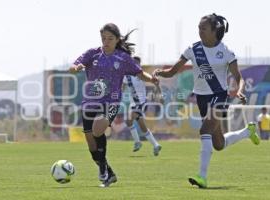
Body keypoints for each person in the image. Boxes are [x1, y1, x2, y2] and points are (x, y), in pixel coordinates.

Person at [153, 13, 260, 188]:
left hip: (219, 95)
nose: (199, 31)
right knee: (218, 144)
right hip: (201, 98)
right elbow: (172, 71)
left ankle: (202, 177)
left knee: (205, 129)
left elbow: (239, 78)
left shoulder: (226, 52)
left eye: (203, 28)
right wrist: (159, 73)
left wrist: (240, 91)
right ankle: (248, 132)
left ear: (214, 30)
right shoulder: (193, 49)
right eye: (198, 28)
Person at [69, 23, 159, 187]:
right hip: (89, 102)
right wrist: (76, 67)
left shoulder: (123, 58)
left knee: (98, 129)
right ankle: (108, 173)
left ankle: (103, 170)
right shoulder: (93, 54)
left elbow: (139, 73)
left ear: (117, 40)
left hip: (111, 101)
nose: (106, 41)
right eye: (103, 38)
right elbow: (74, 65)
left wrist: (151, 79)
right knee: (92, 147)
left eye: (110, 38)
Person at [123, 56, 162, 155]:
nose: (136, 65)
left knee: (129, 120)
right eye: (134, 63)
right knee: (141, 126)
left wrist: (160, 95)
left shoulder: (141, 74)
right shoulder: (126, 76)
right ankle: (156, 145)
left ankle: (137, 142)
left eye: (137, 63)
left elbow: (155, 82)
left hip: (141, 103)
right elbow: (122, 88)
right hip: (133, 103)